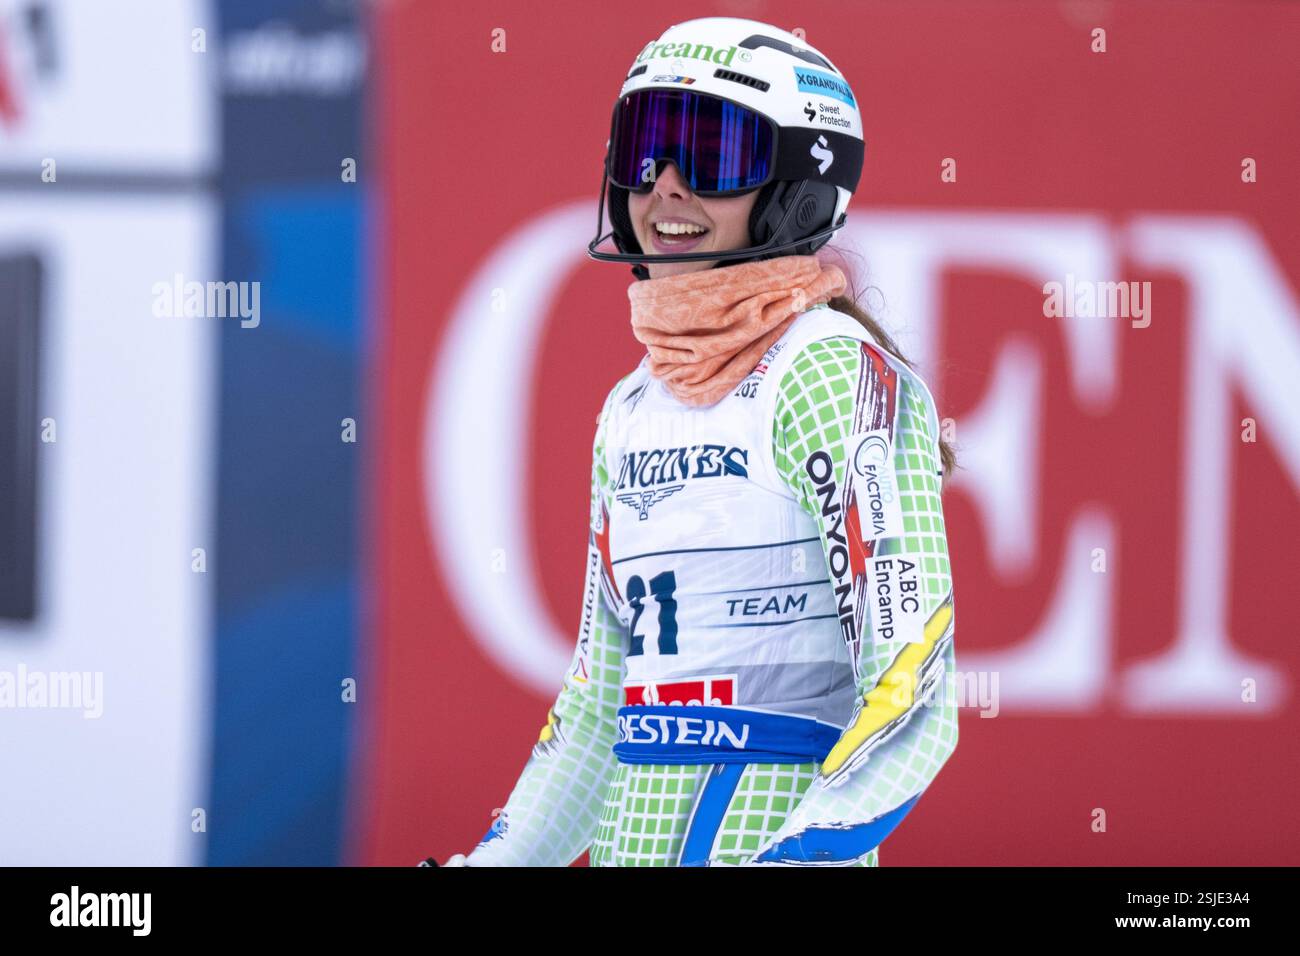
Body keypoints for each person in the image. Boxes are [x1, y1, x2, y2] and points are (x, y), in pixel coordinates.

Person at [441, 16, 958, 867]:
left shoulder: (827, 370)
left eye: (714, 156)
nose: (666, 189)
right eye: (645, 152)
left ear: (797, 189)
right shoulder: (632, 406)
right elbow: (597, 718)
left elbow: (916, 693)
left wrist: (794, 862)